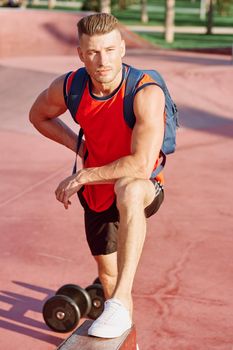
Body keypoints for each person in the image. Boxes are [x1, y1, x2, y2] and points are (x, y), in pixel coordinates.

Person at [29, 13, 165, 339]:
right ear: (80, 54)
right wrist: (81, 151)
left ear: (122, 49)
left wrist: (84, 174)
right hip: (96, 191)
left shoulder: (146, 92)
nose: (102, 60)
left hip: (143, 186)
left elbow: (142, 166)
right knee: (107, 275)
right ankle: (121, 314)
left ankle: (119, 300)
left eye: (108, 50)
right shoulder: (71, 86)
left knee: (129, 189)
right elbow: (38, 116)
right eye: (92, 52)